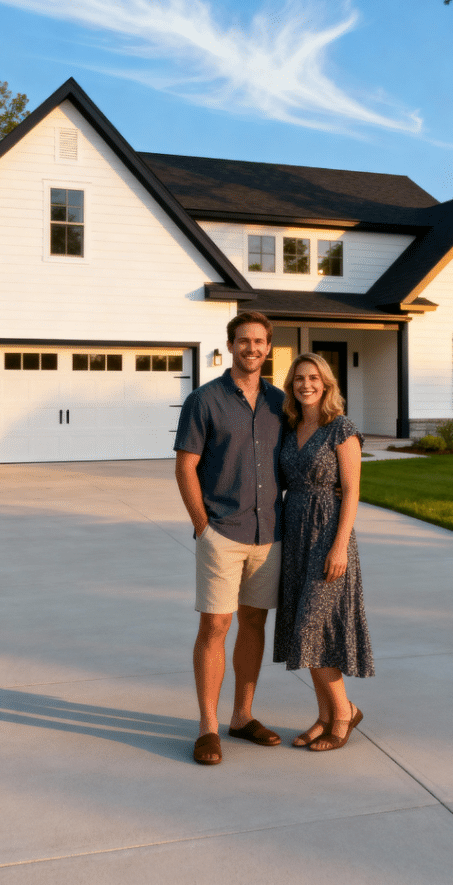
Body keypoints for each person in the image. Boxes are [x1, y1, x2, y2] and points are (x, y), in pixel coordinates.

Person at [174, 311, 287, 766]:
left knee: (254, 623)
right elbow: (185, 466)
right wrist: (203, 526)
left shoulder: (282, 403)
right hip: (222, 532)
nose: (252, 348)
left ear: (268, 347)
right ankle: (208, 728)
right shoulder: (204, 401)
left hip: (268, 535)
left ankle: (242, 717)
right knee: (214, 627)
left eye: (260, 342)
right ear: (231, 344)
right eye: (244, 341)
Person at [273, 352, 374, 751]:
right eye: (299, 378)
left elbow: (351, 492)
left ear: (327, 383)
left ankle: (344, 715)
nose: (306, 385)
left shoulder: (341, 429)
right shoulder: (291, 426)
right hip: (295, 535)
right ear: (291, 385)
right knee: (305, 631)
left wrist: (339, 548)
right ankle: (327, 714)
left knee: (313, 627)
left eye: (313, 377)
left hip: (329, 534)